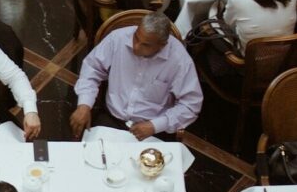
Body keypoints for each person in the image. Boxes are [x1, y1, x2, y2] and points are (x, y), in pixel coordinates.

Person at [70, 11, 203, 140]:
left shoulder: (180, 60)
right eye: (136, 38)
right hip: (112, 118)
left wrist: (155, 125)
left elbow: (191, 105)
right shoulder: (117, 39)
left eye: (145, 45)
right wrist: (84, 105)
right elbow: (92, 68)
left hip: (152, 129)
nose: (136, 47)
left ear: (162, 45)